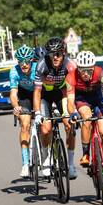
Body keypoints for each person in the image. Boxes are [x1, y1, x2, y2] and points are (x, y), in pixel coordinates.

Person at [66, 51, 103, 185]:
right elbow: (70, 101)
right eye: (82, 70)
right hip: (82, 100)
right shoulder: (71, 76)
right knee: (87, 118)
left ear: (93, 68)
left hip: (98, 100)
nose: (85, 73)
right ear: (78, 68)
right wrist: (72, 113)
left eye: (88, 70)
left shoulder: (101, 73)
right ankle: (86, 154)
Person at [33, 37, 77, 179]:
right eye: (52, 54)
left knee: (70, 125)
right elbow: (37, 92)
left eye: (58, 53)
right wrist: (38, 113)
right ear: (48, 55)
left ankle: (70, 165)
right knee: (45, 129)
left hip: (61, 94)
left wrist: (74, 111)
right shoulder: (41, 65)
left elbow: (72, 90)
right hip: (45, 96)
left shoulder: (69, 65)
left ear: (64, 53)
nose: (55, 57)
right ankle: (46, 158)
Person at [9, 45, 37, 178]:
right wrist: (16, 106)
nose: (24, 65)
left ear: (32, 60)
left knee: (45, 125)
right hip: (24, 96)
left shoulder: (37, 68)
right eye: (21, 62)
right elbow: (13, 93)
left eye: (27, 61)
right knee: (25, 125)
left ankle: (46, 153)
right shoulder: (14, 71)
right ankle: (25, 163)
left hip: (39, 94)